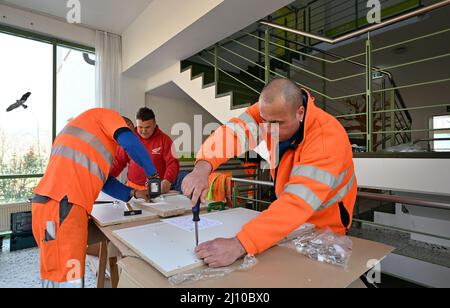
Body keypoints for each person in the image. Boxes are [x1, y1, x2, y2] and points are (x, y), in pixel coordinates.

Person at [182, 78, 357, 268]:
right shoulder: (269, 113)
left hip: (325, 228)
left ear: (300, 112)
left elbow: (296, 203)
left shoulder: (326, 139)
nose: (268, 128)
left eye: (277, 123)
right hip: (286, 223)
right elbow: (231, 134)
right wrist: (203, 167)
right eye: (264, 121)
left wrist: (240, 244)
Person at [31, 108, 158, 287]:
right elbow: (130, 143)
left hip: (48, 207)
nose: (120, 145)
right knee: (69, 277)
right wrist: (153, 175)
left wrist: (134, 193)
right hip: (64, 208)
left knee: (54, 271)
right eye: (131, 130)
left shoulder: (91, 135)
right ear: (126, 125)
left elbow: (105, 182)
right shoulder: (108, 116)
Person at [111, 107, 182, 194]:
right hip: (133, 188)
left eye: (147, 127)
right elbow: (119, 161)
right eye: (140, 127)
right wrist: (106, 178)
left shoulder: (165, 140)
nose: (144, 131)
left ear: (155, 124)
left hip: (156, 189)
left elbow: (172, 163)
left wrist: (168, 181)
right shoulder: (129, 138)